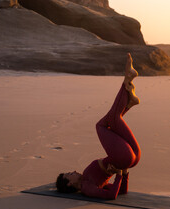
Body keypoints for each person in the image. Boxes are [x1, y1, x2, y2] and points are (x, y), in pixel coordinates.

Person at [56, 53, 141, 200]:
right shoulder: (86, 188)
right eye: (70, 174)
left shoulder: (87, 182)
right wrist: (120, 174)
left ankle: (128, 97)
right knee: (103, 124)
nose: (74, 171)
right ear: (70, 184)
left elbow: (121, 192)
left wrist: (124, 173)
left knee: (113, 120)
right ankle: (127, 83)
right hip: (123, 158)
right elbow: (111, 195)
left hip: (131, 158)